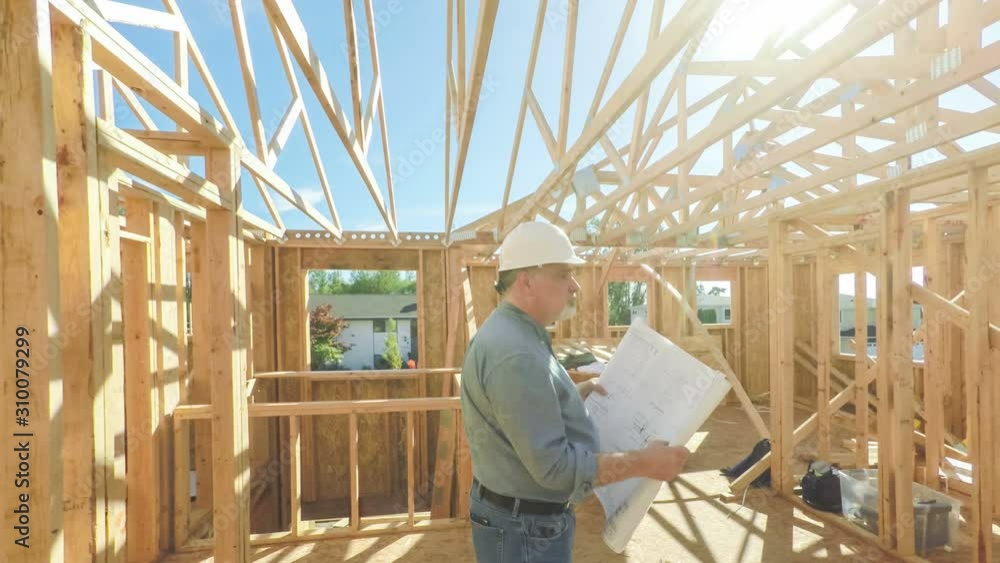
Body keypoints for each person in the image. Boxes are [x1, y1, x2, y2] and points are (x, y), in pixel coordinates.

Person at [459, 221, 691, 563]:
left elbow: (519, 416)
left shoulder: (514, 333)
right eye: (564, 274)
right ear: (527, 281)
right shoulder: (516, 353)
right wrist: (644, 463)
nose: (576, 286)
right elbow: (556, 470)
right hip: (525, 530)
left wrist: (566, 395)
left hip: (517, 521)